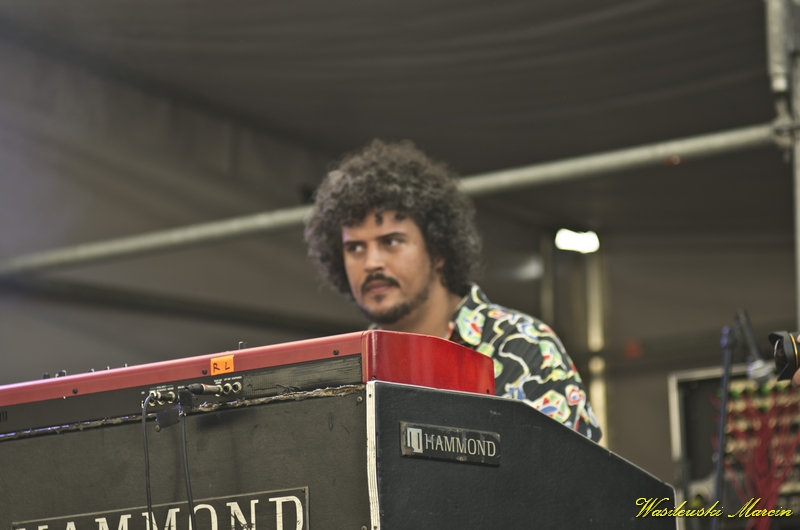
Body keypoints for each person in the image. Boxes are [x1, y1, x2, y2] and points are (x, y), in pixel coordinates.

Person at [304, 139, 602, 442]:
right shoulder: (351, 368)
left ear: (438, 251)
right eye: (355, 248)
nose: (371, 263)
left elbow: (574, 468)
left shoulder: (524, 348)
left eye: (391, 242)